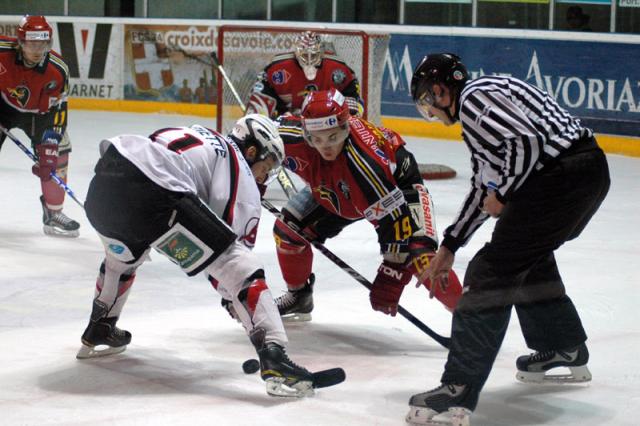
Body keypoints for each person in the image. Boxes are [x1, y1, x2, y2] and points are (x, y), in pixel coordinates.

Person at [406, 53, 610, 425]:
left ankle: (458, 389)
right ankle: (562, 346)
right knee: (525, 258)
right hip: (585, 174)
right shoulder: (481, 111)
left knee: (490, 271)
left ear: (439, 89)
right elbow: (484, 187)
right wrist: (450, 245)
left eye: (427, 101)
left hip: (563, 178)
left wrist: (505, 193)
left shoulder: (474, 99)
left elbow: (526, 143)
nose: (431, 111)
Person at [76, 115, 334, 397]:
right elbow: (231, 264)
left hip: (105, 183)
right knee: (242, 266)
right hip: (155, 197)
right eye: (267, 165)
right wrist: (237, 304)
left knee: (122, 260)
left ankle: (100, 327)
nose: (263, 176)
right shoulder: (241, 170)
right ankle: (275, 356)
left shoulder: (202, 136)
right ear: (252, 151)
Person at [271, 88, 462, 322]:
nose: (325, 147)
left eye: (333, 136)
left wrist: (391, 273)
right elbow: (252, 136)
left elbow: (394, 222)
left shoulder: (365, 166)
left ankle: (469, 317)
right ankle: (299, 295)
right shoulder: (288, 134)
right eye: (316, 139)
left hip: (398, 188)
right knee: (287, 231)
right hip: (337, 188)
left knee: (421, 257)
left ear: (346, 127)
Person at [0, 15, 80, 237]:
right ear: (20, 42)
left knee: (58, 154)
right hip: (3, 106)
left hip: (41, 117)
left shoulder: (58, 69)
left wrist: (52, 141)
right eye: (31, 43)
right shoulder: (1, 51)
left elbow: (60, 108)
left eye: (42, 44)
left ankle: (53, 213)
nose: (37, 50)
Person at [245, 31, 364, 118]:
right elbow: (261, 91)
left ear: (321, 52)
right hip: (288, 120)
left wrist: (347, 115)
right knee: (255, 115)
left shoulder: (337, 69)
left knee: (352, 115)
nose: (309, 59)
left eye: (313, 55)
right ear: (296, 52)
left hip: (327, 121)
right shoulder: (279, 69)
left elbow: (353, 95)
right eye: (305, 55)